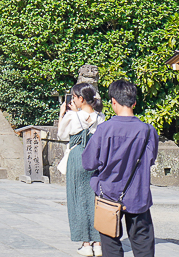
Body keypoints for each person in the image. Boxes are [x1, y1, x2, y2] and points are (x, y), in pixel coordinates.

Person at [82, 80, 159, 257]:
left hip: (108, 194)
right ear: (134, 102)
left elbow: (88, 163)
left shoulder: (104, 129)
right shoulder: (148, 131)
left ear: (113, 101)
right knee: (143, 247)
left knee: (110, 246)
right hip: (138, 195)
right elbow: (150, 159)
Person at [60, 83, 106, 257]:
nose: (72, 99)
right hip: (95, 158)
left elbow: (62, 136)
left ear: (80, 98)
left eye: (74, 96)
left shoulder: (72, 117)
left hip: (77, 156)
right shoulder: (100, 117)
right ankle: (98, 242)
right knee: (95, 199)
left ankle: (85, 244)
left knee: (77, 198)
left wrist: (62, 114)